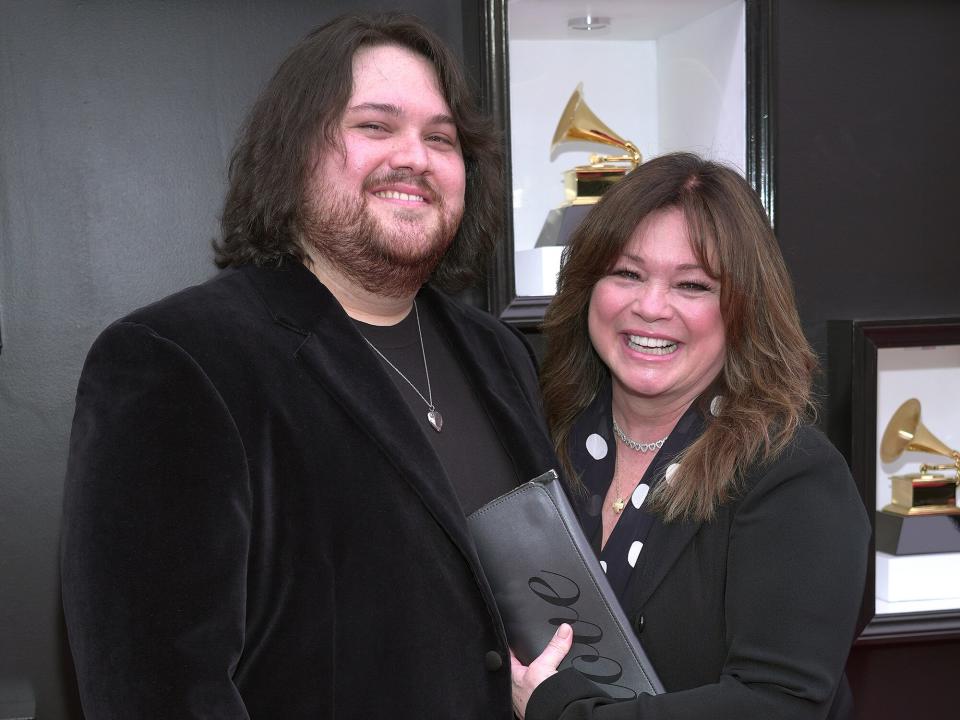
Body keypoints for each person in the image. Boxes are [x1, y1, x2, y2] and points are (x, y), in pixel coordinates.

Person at [60, 13, 557, 719]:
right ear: (293, 154)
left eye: (440, 138)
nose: (414, 157)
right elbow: (156, 690)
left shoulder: (500, 356)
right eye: (375, 127)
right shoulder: (176, 361)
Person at [510, 153, 870, 720]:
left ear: (743, 308)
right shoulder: (535, 431)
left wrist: (562, 712)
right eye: (627, 274)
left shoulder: (792, 474)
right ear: (588, 288)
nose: (650, 307)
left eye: (693, 284)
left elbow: (778, 704)